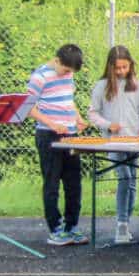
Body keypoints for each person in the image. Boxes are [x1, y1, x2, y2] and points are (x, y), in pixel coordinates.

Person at [88, 46, 139, 245]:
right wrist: (108, 125)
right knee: (124, 177)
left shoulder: (138, 86)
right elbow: (93, 113)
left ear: (130, 65)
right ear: (110, 67)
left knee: (132, 180)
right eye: (118, 68)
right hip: (113, 141)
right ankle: (122, 223)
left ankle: (125, 222)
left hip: (134, 141)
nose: (121, 71)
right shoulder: (102, 86)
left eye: (125, 67)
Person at [27, 43, 89, 246]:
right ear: (56, 61)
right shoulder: (40, 77)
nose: (67, 73)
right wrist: (53, 124)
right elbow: (29, 107)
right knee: (52, 182)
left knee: (74, 183)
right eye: (65, 69)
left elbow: (67, 100)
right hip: (48, 136)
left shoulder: (68, 74)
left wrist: (77, 118)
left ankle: (72, 226)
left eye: (70, 71)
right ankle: (55, 228)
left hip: (69, 135)